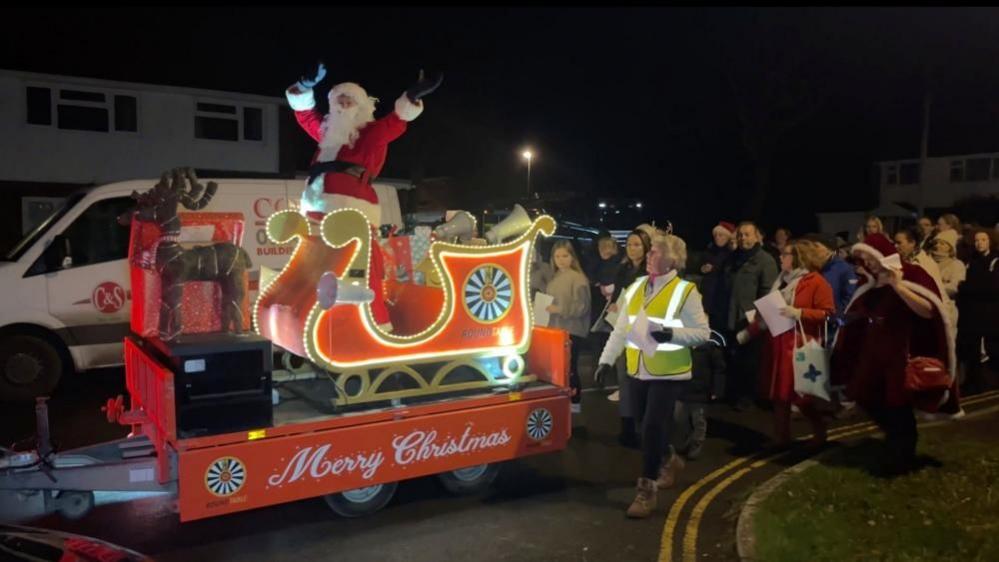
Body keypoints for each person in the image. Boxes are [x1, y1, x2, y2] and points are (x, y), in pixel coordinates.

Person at [286, 62, 442, 330]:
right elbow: (305, 115)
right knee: (316, 267)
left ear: (361, 107)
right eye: (339, 100)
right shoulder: (327, 134)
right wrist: (304, 86)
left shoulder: (370, 134)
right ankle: (322, 320)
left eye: (349, 101)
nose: (343, 105)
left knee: (364, 268)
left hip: (352, 211)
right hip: (316, 209)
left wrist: (412, 96)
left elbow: (395, 122)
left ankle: (378, 324)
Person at [593, 230, 710, 518]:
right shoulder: (635, 287)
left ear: (672, 260)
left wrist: (670, 334)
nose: (649, 255)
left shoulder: (686, 291)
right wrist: (605, 361)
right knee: (645, 427)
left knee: (651, 429)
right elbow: (621, 329)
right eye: (650, 251)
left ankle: (646, 492)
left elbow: (702, 334)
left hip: (668, 373)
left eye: (655, 252)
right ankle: (669, 458)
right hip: (638, 370)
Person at [831, 233, 961, 475]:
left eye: (869, 257)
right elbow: (862, 312)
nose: (866, 263)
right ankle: (896, 447)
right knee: (868, 399)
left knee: (898, 407)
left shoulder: (913, 274)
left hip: (900, 357)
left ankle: (901, 460)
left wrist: (898, 285)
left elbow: (928, 311)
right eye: (862, 259)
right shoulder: (870, 282)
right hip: (873, 356)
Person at [737, 240, 835, 449]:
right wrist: (751, 331)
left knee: (803, 395)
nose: (781, 258)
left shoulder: (816, 281)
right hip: (779, 344)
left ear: (798, 258)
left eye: (785, 255)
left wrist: (800, 313)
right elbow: (771, 312)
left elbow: (827, 314)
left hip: (801, 345)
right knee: (780, 395)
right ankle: (781, 437)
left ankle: (820, 431)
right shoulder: (782, 281)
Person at [720, 222, 778, 410]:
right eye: (740, 235)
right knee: (732, 357)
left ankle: (748, 396)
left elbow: (768, 291)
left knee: (750, 360)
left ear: (756, 237)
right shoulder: (732, 259)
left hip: (750, 319)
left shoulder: (765, 260)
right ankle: (733, 392)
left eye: (747, 235)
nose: (743, 238)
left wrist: (759, 320)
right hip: (730, 316)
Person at [603, 228, 652, 446]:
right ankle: (627, 427)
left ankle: (643, 429)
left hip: (642, 331)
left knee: (641, 381)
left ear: (646, 247)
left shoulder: (650, 271)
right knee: (624, 380)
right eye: (630, 244)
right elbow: (616, 297)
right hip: (623, 330)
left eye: (637, 244)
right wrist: (613, 305)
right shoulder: (622, 270)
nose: (632, 249)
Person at [544, 240, 591, 414]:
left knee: (570, 368)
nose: (561, 260)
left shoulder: (578, 279)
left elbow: (582, 307)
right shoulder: (554, 278)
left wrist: (559, 309)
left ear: (572, 256)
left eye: (565, 255)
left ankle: (575, 404)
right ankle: (564, 403)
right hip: (557, 329)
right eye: (557, 256)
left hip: (572, 330)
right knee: (560, 368)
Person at [956, 229, 999, 395]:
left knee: (988, 348)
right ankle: (972, 382)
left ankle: (985, 383)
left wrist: (967, 287)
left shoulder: (995, 260)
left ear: (990, 241)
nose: (979, 243)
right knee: (971, 348)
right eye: (977, 240)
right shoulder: (970, 261)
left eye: (983, 239)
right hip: (971, 313)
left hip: (988, 313)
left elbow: (991, 287)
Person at [673, 330, 726, 460]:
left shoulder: (711, 346)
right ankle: (687, 443)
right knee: (679, 418)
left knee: (699, 422)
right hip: (683, 390)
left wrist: (716, 389)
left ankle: (695, 447)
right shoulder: (682, 342)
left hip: (701, 392)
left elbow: (719, 369)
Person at [800, 233, 857, 343]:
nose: (813, 251)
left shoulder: (844, 269)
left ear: (829, 249)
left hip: (833, 327)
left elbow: (849, 298)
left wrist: (834, 317)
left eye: (816, 247)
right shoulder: (812, 267)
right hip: (813, 323)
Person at [586, 231, 622, 351]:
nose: (603, 250)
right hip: (602, 304)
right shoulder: (598, 262)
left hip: (612, 304)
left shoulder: (615, 264)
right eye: (601, 247)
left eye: (606, 247)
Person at [894, 226, 947, 301]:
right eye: (895, 242)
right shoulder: (903, 259)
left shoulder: (925, 263)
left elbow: (934, 293)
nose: (895, 246)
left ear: (912, 243)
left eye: (899, 243)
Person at [701, 221, 735, 330]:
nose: (717, 238)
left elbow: (728, 270)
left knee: (715, 323)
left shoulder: (731, 253)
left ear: (727, 237)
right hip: (707, 291)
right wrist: (702, 268)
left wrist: (714, 269)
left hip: (720, 293)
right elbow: (701, 264)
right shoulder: (710, 249)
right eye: (715, 235)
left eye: (721, 235)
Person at [929, 238, 965, 326]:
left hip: (947, 307)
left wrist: (932, 287)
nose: (937, 246)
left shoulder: (956, 264)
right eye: (936, 243)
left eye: (942, 243)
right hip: (928, 306)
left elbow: (955, 287)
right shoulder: (928, 261)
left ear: (950, 247)